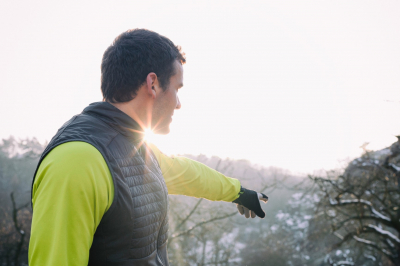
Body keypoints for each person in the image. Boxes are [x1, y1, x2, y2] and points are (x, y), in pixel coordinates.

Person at [28, 29, 268, 266]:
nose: (178, 103)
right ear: (153, 84)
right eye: (177, 88)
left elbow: (185, 173)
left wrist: (238, 192)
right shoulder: (77, 160)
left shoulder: (132, 146)